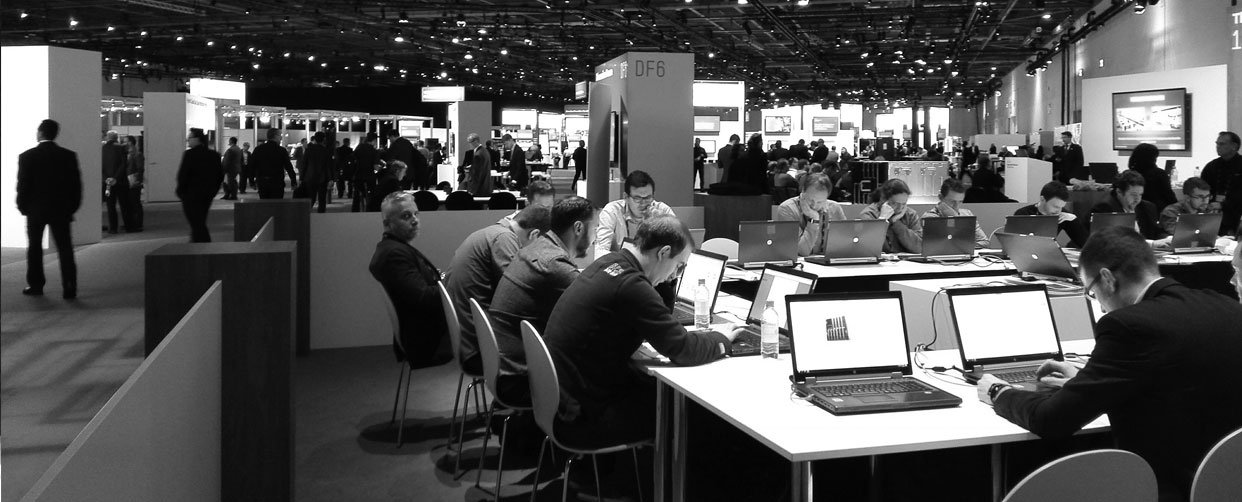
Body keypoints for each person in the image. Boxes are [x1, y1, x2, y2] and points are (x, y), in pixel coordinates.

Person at [976, 226, 1242, 502]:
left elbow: (1052, 421)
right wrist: (1088, 381)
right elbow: (1181, 378)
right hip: (1227, 484)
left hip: (1161, 488)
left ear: (1107, 279)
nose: (1101, 307)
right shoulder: (1226, 307)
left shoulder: (1129, 326)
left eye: (1092, 292)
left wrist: (999, 392)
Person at [544, 216, 737, 448]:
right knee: (695, 412)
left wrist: (664, 279)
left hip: (563, 399)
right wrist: (721, 339)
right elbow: (683, 349)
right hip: (585, 417)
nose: (676, 274)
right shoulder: (632, 286)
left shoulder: (609, 263)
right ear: (664, 252)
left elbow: (659, 320)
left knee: (655, 389)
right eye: (679, 265)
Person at [488, 196, 597, 405]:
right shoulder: (553, 264)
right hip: (522, 380)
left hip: (505, 369)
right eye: (596, 228)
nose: (596, 237)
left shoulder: (537, 248)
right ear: (578, 228)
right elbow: (596, 306)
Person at [445, 204, 551, 374]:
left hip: (467, 340)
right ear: (534, 234)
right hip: (480, 349)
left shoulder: (494, 231)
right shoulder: (504, 239)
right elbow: (517, 291)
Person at [369, 192, 448, 367]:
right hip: (430, 341)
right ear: (387, 223)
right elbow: (425, 298)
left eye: (416, 214)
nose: (415, 220)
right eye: (406, 216)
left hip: (426, 332)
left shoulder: (393, 248)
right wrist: (453, 284)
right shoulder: (394, 254)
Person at [17, 119, 81, 299]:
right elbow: (76, 186)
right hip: (61, 210)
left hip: (35, 210)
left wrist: (23, 207)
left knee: (35, 248)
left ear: (40, 133)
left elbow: (23, 186)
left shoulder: (27, 156)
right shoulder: (68, 156)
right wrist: (71, 207)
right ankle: (69, 286)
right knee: (65, 248)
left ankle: (36, 285)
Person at [595, 170, 676, 258]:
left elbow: (678, 245)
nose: (643, 203)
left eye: (648, 197)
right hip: (621, 262)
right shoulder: (612, 211)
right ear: (626, 197)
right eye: (637, 198)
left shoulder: (662, 211)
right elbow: (601, 250)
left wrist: (660, 224)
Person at [774, 173, 846, 256]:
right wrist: (814, 219)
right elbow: (802, 251)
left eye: (820, 202)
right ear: (803, 192)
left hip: (828, 260)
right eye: (811, 200)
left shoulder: (834, 207)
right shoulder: (787, 209)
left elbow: (844, 245)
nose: (814, 206)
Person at [1091, 170, 1170, 242]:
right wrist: (1151, 244)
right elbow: (1111, 242)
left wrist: (1168, 239)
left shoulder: (1147, 207)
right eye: (1133, 195)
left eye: (1140, 194)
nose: (1137, 199)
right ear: (1119, 192)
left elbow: (1156, 232)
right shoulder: (1105, 208)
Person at [175, 128, 224, 243]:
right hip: (207, 194)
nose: (188, 140)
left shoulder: (189, 154)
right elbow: (220, 175)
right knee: (200, 219)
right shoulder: (214, 155)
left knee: (196, 222)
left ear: (198, 139)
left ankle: (203, 244)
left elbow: (183, 175)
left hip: (190, 194)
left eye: (190, 138)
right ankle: (197, 242)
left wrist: (180, 191)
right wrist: (214, 191)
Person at [1014, 181, 1089, 248]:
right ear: (1042, 199)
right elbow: (1014, 244)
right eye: (1055, 206)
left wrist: (1074, 219)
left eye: (1062, 207)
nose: (1059, 211)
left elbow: (1086, 245)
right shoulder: (1023, 214)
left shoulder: (1063, 216)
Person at [921, 179, 991, 249]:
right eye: (952, 202)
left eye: (960, 201)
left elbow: (985, 242)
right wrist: (954, 218)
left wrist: (955, 217)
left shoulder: (967, 214)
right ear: (941, 198)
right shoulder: (929, 218)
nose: (956, 206)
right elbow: (939, 246)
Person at [859, 178, 922, 253]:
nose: (899, 209)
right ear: (883, 200)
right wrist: (883, 219)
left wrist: (896, 223)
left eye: (903, 204)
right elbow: (869, 248)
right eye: (895, 203)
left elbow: (919, 248)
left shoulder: (910, 214)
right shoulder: (868, 214)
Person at [1201, 131, 1242, 235]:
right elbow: (1202, 188)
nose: (1217, 147)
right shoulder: (1211, 166)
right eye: (1217, 143)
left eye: (1222, 144)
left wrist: (1223, 205)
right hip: (1212, 213)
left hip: (1236, 214)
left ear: (1234, 146)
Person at [102, 131, 135, 234]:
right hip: (121, 182)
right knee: (125, 205)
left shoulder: (101, 149)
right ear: (116, 138)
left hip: (107, 183)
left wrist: (107, 178)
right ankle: (129, 227)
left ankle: (113, 228)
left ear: (107, 138)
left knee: (110, 205)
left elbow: (100, 166)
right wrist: (116, 178)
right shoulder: (121, 148)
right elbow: (124, 164)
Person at [1128, 143, 1176, 211]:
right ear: (1153, 158)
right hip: (1158, 211)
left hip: (1134, 211)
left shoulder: (1129, 175)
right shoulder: (1160, 174)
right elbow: (1170, 197)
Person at [252, 128, 297, 199]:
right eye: (280, 135)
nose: (281, 137)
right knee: (277, 203)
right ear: (275, 136)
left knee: (264, 202)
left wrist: (252, 181)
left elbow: (252, 165)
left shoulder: (258, 149)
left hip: (262, 182)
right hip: (277, 182)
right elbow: (288, 167)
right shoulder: (281, 150)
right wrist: (293, 181)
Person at [302, 132, 331, 213]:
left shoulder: (308, 150)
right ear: (323, 139)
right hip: (322, 178)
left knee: (311, 198)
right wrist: (330, 178)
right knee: (322, 199)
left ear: (315, 139)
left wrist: (302, 177)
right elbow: (328, 166)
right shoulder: (325, 150)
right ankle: (321, 215)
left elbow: (304, 164)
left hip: (310, 177)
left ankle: (306, 214)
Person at [353, 133, 380, 211]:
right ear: (374, 140)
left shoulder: (358, 148)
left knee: (357, 194)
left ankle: (355, 210)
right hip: (369, 175)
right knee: (372, 194)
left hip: (358, 174)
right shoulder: (374, 151)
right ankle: (370, 209)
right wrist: (378, 170)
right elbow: (376, 167)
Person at [124, 135, 144, 231]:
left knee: (135, 203)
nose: (124, 143)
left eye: (126, 141)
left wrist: (138, 180)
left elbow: (140, 168)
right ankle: (132, 222)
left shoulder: (137, 154)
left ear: (130, 142)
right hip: (128, 181)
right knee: (130, 203)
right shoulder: (127, 153)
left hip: (134, 181)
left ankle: (138, 223)